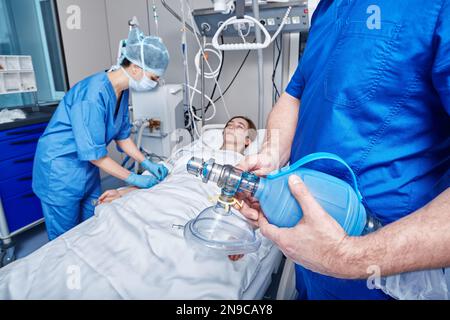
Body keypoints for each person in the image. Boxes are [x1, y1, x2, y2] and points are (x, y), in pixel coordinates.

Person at [237, 0, 450, 299]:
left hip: (381, 275)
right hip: (311, 264)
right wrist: (271, 154)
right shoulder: (328, 10)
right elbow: (294, 95)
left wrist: (349, 255)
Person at [32, 27, 170, 240]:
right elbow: (96, 155)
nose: (155, 83)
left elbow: (122, 136)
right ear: (135, 68)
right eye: (153, 77)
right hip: (60, 170)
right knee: (64, 240)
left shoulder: (121, 92)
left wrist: (147, 162)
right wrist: (135, 178)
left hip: (86, 169)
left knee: (93, 225)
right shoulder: (92, 96)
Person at [97, 116, 257, 262]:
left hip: (202, 205)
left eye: (239, 126)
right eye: (229, 124)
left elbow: (249, 204)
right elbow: (159, 178)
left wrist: (239, 233)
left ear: (248, 140)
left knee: (179, 249)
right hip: (163, 194)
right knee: (113, 230)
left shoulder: (248, 166)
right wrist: (124, 192)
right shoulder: (193, 153)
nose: (232, 127)